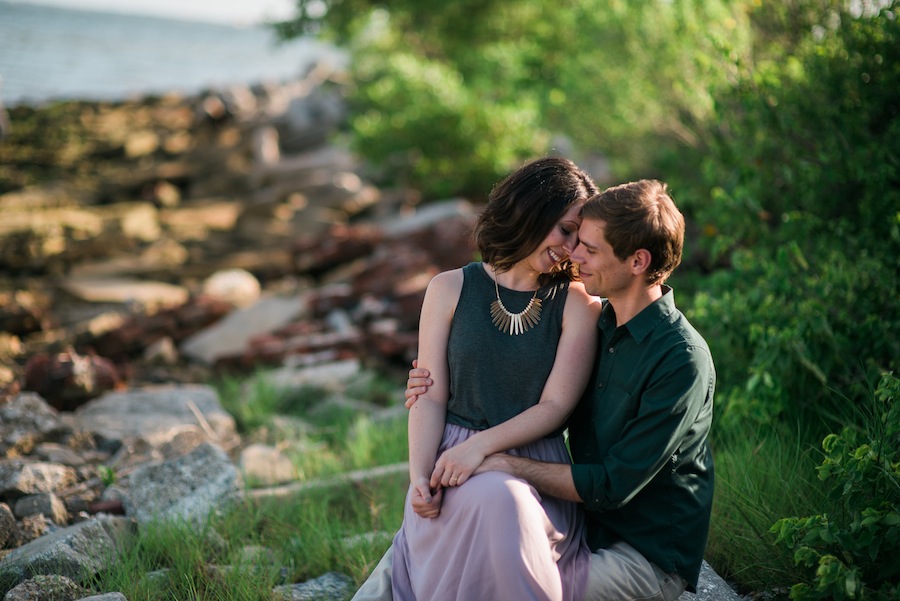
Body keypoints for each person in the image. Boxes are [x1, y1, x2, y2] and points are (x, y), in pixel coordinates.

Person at [361, 179, 715, 601]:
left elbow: (608, 482)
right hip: (573, 518)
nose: (574, 255)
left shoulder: (675, 356)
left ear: (637, 261)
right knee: (438, 545)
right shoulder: (606, 323)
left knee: (493, 558)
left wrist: (501, 462)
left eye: (589, 247)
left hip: (638, 549)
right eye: (572, 236)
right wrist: (429, 389)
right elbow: (467, 378)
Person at [384, 156, 603, 601]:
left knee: (505, 501)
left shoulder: (579, 304)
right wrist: (419, 477)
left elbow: (555, 407)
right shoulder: (448, 288)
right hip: (450, 465)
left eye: (579, 236)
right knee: (491, 501)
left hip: (534, 469)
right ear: (530, 211)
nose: (571, 247)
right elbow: (430, 395)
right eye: (564, 229)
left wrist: (480, 448)